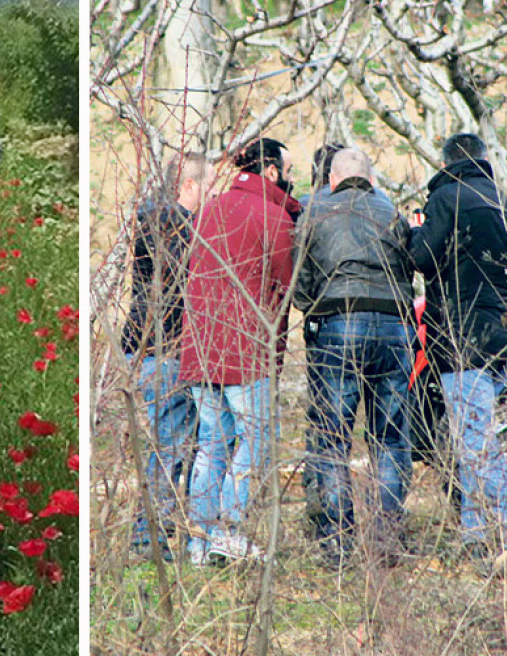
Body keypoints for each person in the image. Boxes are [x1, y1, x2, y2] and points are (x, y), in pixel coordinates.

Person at [408, 133, 507, 576]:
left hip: (460, 336)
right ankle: (475, 536)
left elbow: (421, 257)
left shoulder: (446, 198)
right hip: (500, 331)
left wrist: (414, 228)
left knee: (477, 442)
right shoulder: (502, 202)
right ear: (482, 159)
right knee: (473, 437)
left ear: (447, 163)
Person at [293, 148, 416, 568]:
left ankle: (338, 545)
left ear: (332, 178)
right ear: (371, 179)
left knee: (332, 441)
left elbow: (300, 285)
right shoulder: (391, 212)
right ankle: (387, 541)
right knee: (390, 438)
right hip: (395, 327)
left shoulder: (315, 212)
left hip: (338, 326)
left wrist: (317, 307)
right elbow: (408, 268)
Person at [177, 137, 296, 566]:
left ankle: (198, 543)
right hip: (245, 353)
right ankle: (228, 532)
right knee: (254, 440)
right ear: (271, 171)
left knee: (211, 445)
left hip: (200, 348)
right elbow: (287, 288)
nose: (290, 179)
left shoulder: (206, 212)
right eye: (287, 170)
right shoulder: (274, 216)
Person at [121, 152, 216, 561]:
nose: (214, 195)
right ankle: (147, 538)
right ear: (189, 185)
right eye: (210, 185)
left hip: (166, 349)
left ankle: (162, 530)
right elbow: (182, 277)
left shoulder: (171, 221)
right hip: (162, 349)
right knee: (171, 445)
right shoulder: (165, 223)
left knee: (180, 443)